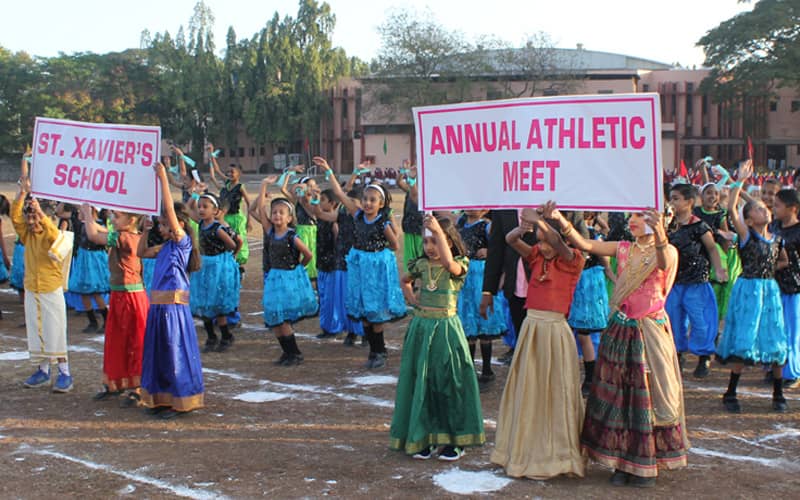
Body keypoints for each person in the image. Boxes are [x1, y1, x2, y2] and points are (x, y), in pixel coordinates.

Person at [555, 206, 689, 488]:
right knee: (619, 397)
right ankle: (620, 462)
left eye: (641, 216)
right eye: (633, 216)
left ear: (659, 221)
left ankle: (645, 466)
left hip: (649, 333)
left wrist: (662, 236)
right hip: (620, 330)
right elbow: (587, 244)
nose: (634, 221)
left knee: (647, 398)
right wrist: (560, 221)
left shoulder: (668, 250)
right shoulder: (624, 248)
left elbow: (664, 264)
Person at [490, 204, 586, 479]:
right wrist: (523, 228)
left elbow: (557, 240)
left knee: (556, 388)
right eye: (540, 241)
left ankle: (557, 453)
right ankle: (526, 446)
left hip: (555, 330)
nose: (542, 246)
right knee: (529, 387)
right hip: (532, 328)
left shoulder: (573, 260)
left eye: (545, 242)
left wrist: (544, 222)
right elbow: (510, 241)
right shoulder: (535, 257)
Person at [390, 215, 484, 461]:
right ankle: (424, 436)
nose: (429, 247)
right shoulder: (420, 264)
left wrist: (439, 232)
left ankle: (454, 440)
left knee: (449, 382)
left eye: (436, 241)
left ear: (450, 242)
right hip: (422, 328)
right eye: (426, 242)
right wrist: (411, 298)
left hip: (446, 330)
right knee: (423, 383)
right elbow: (405, 280)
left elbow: (450, 264)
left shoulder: (460, 264)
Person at [315, 157, 406, 369]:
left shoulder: (382, 222)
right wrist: (329, 170)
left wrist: (376, 256)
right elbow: (339, 194)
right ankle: (373, 351)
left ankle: (379, 351)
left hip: (374, 268)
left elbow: (394, 245)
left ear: (381, 203)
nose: (367, 203)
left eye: (373, 200)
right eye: (365, 199)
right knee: (363, 313)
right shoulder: (356, 215)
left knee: (375, 314)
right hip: (359, 268)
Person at [717, 160, 788, 413]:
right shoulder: (747, 235)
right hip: (748, 291)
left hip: (769, 290)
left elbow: (783, 262)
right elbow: (732, 207)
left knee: (775, 337)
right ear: (748, 219)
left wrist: (768, 273)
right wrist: (740, 180)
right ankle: (731, 392)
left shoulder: (777, 239)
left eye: (764, 207)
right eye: (758, 209)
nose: (764, 210)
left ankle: (778, 393)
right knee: (744, 339)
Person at [137, 163, 204, 419]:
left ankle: (182, 400)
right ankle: (163, 398)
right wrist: (144, 232)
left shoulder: (181, 243)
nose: (161, 227)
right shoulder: (164, 248)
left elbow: (169, 210)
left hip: (174, 308)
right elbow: (141, 253)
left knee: (176, 352)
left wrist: (163, 179)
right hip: (158, 308)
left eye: (164, 224)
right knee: (161, 353)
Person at [80, 204, 148, 407]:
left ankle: (135, 387)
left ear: (132, 220)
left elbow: (93, 235)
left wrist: (86, 213)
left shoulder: (124, 238)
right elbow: (101, 231)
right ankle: (118, 383)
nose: (112, 219)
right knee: (118, 339)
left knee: (133, 341)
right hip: (121, 294)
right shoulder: (128, 235)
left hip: (130, 297)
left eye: (117, 216)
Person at [14, 176, 72, 393]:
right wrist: (22, 193)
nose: (30, 222)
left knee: (55, 330)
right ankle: (43, 370)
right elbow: (15, 217)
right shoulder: (27, 234)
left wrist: (39, 212)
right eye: (29, 217)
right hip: (32, 288)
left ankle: (65, 373)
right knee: (37, 330)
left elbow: (53, 233)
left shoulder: (53, 235)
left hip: (50, 288)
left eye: (35, 218)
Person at [254, 176, 318, 366]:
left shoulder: (291, 236)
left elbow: (307, 254)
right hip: (274, 278)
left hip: (288, 278)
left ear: (289, 218)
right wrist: (263, 185)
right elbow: (260, 209)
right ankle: (287, 351)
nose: (276, 216)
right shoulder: (270, 231)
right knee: (274, 317)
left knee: (282, 318)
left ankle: (294, 353)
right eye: (274, 212)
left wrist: (299, 267)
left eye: (281, 213)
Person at [665, 183, 727, 377]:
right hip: (674, 281)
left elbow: (711, 248)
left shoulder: (699, 226)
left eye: (676, 198)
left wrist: (718, 268)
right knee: (674, 320)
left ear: (689, 202)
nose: (672, 202)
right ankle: (678, 353)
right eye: (671, 198)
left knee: (700, 320)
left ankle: (704, 356)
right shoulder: (667, 225)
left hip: (697, 281)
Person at [456, 210, 507, 390]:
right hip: (465, 276)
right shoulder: (460, 223)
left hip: (481, 276)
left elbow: (500, 248)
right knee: (468, 321)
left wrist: (489, 251)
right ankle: (469, 370)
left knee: (483, 321)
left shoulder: (487, 226)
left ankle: (487, 370)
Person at [568, 212, 613, 396]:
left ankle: (595, 374)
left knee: (592, 331)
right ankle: (588, 375)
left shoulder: (594, 235)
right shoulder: (565, 235)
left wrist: (618, 282)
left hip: (591, 286)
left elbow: (606, 263)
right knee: (579, 333)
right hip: (573, 284)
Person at [189, 193, 240, 353]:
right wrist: (194, 194)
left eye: (205, 207)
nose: (201, 210)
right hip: (203, 267)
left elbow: (234, 244)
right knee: (204, 302)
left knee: (217, 303)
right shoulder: (200, 225)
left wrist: (232, 257)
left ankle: (226, 336)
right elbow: (187, 209)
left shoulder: (218, 229)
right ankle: (211, 336)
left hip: (217, 268)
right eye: (200, 207)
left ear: (215, 210)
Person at [693, 183, 740, 323]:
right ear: (701, 196)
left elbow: (725, 237)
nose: (712, 196)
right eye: (709, 193)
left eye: (715, 193)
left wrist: (723, 260)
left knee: (714, 289)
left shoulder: (720, 214)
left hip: (715, 253)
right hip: (698, 251)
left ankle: (714, 322)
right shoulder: (696, 211)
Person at [773, 189, 800, 387]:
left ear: (792, 208)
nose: (774, 209)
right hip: (774, 285)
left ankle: (791, 372)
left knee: (792, 330)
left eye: (778, 205)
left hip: (794, 287)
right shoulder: (773, 226)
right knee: (776, 328)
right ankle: (776, 368)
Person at [69, 205, 111, 333]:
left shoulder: (98, 224)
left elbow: (105, 234)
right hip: (83, 257)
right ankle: (92, 321)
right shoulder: (81, 223)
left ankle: (106, 319)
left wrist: (89, 219)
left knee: (95, 291)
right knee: (83, 291)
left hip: (95, 259)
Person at [209, 148, 251, 273]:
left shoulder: (240, 187)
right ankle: (228, 262)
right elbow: (216, 171)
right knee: (226, 240)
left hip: (237, 217)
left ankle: (239, 265)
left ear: (239, 174)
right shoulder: (226, 185)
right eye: (228, 172)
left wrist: (249, 221)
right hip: (226, 217)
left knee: (238, 239)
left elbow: (249, 203)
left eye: (232, 172)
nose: (229, 174)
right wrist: (212, 155)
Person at [280, 169, 318, 281]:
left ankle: (313, 281)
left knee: (315, 258)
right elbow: (283, 189)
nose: (311, 188)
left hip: (315, 231)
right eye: (309, 186)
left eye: (313, 186)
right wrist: (289, 173)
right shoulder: (297, 200)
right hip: (302, 231)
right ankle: (302, 277)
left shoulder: (316, 201)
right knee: (303, 255)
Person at [397, 162, 423, 271]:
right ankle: (410, 281)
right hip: (409, 227)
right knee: (410, 259)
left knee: (422, 257)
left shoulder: (427, 192)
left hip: (421, 229)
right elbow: (399, 182)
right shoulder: (410, 189)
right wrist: (403, 171)